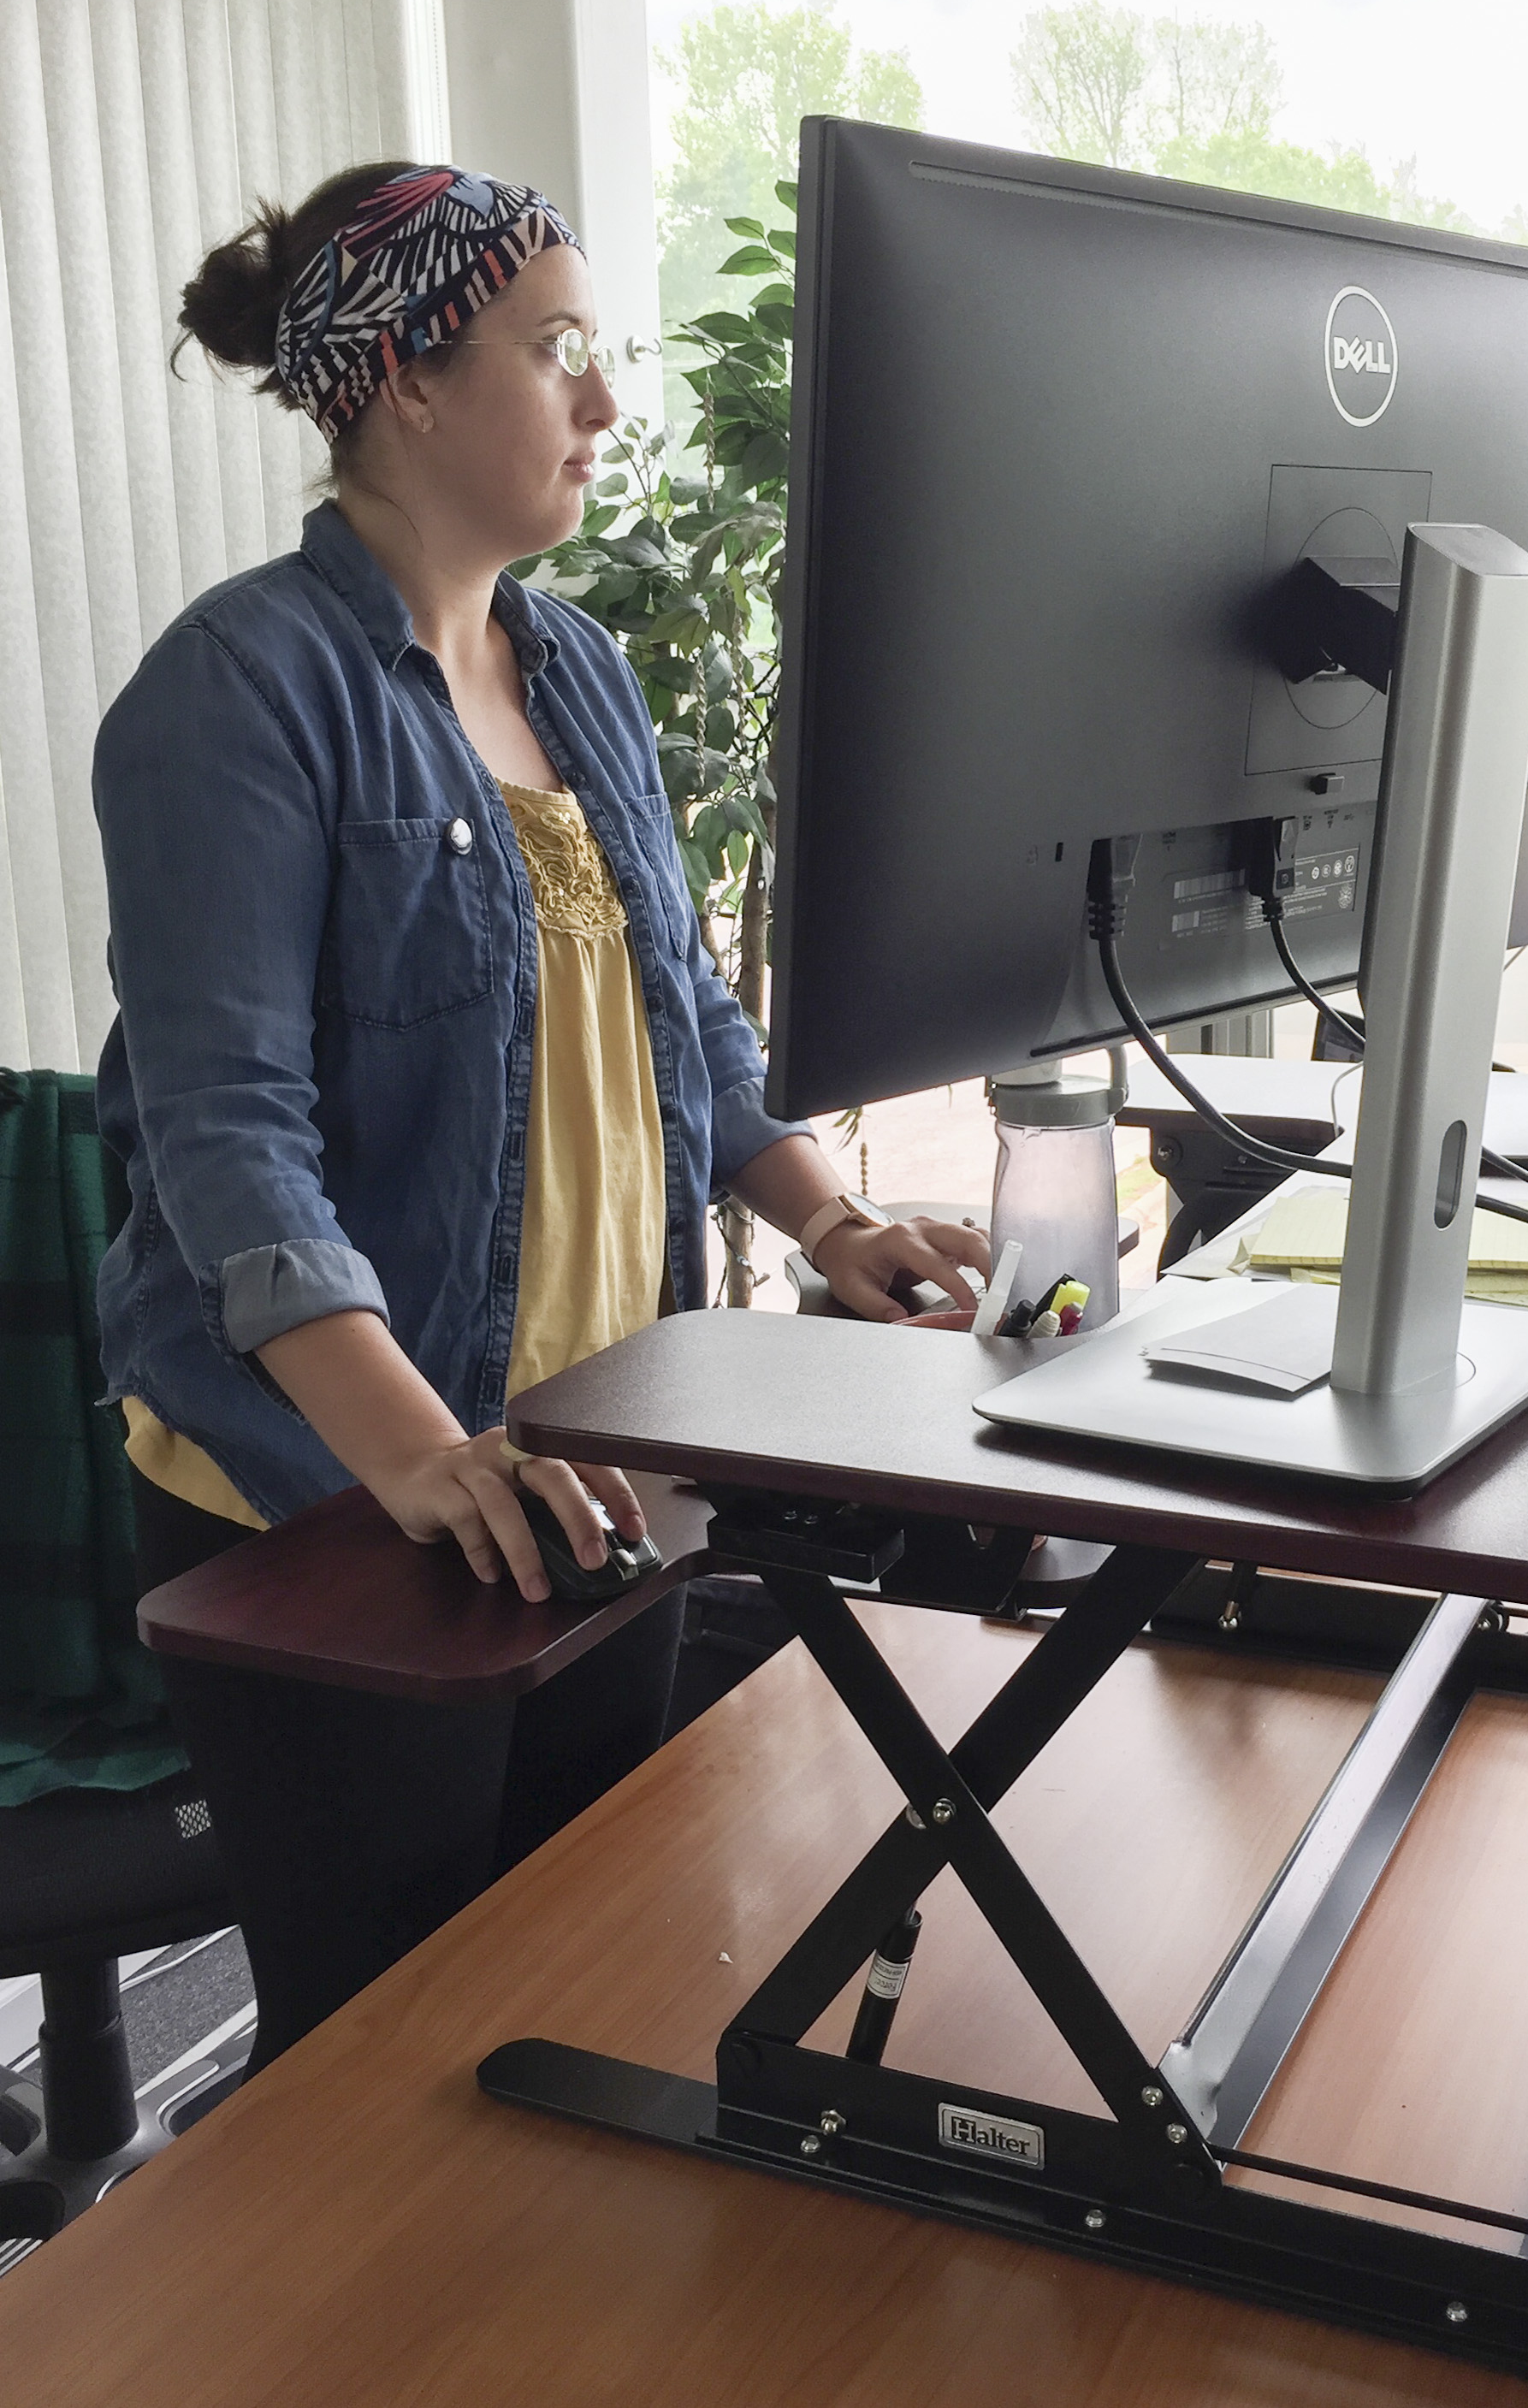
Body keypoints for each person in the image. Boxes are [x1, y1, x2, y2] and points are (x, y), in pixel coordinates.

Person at [93, 161, 989, 2067]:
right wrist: (419, 1461)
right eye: (556, 350)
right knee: (380, 2046)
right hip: (341, 1485)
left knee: (578, 1973)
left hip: (594, 1458)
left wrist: (830, 1222)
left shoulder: (572, 666)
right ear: (406, 378)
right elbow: (227, 1138)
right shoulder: (242, 692)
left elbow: (682, 1021)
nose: (603, 402)